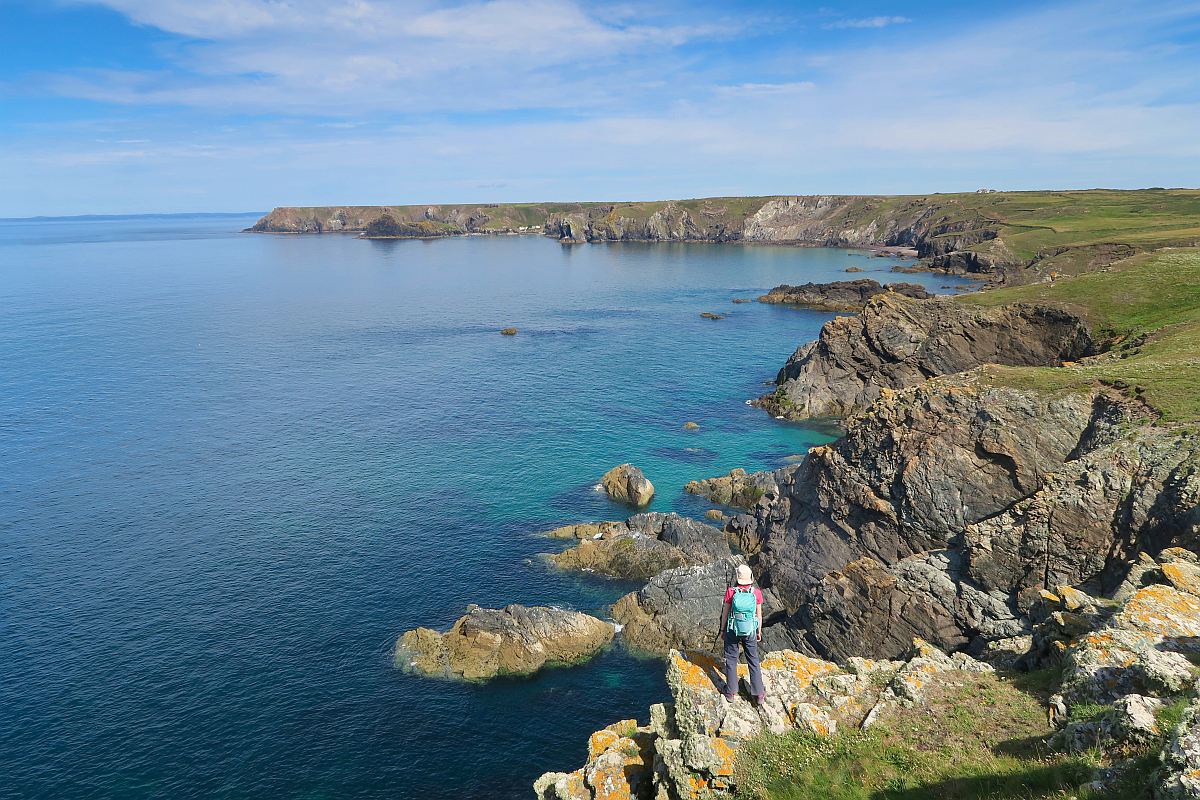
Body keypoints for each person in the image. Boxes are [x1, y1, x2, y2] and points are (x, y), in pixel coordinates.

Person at [718, 563, 765, 704]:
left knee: (731, 660)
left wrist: (722, 630)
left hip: (732, 629)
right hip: (750, 630)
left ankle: (731, 692)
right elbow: (759, 615)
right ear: (750, 577)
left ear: (738, 578)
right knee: (753, 660)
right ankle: (759, 694)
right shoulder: (756, 593)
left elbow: (725, 614)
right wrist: (759, 631)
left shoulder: (731, 592)